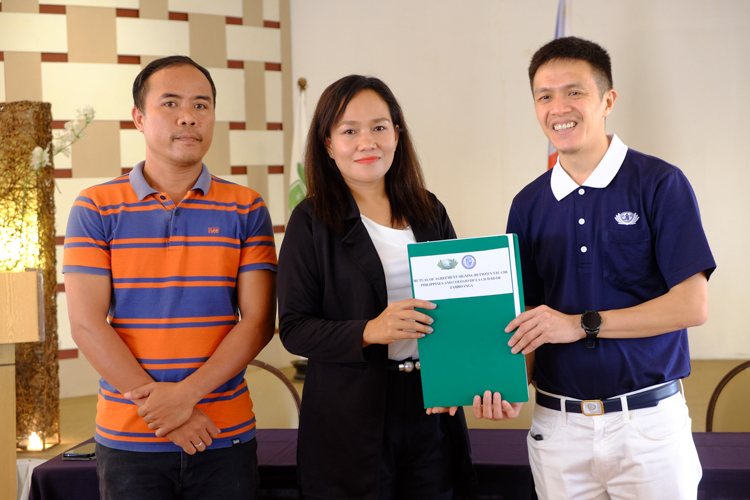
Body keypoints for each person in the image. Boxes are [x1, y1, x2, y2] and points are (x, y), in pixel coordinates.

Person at [475, 37, 716, 500]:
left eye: (574, 92)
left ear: (607, 100)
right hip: (557, 431)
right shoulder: (527, 204)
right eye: (544, 96)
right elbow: (526, 320)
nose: (557, 107)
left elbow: (692, 305)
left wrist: (580, 325)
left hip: (648, 427)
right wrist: (501, 384)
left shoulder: (660, 184)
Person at [63, 55, 277, 500]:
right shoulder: (95, 206)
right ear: (139, 118)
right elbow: (86, 323)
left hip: (225, 434)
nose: (188, 116)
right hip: (129, 438)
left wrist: (186, 397)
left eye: (202, 105)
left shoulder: (247, 208)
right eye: (171, 103)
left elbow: (257, 321)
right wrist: (168, 412)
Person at [277, 75, 476, 500]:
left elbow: (460, 304)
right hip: (350, 414)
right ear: (328, 144)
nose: (367, 141)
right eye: (349, 131)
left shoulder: (428, 208)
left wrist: (461, 379)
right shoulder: (311, 221)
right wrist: (371, 330)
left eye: (379, 127)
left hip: (430, 405)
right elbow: (294, 328)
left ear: (397, 135)